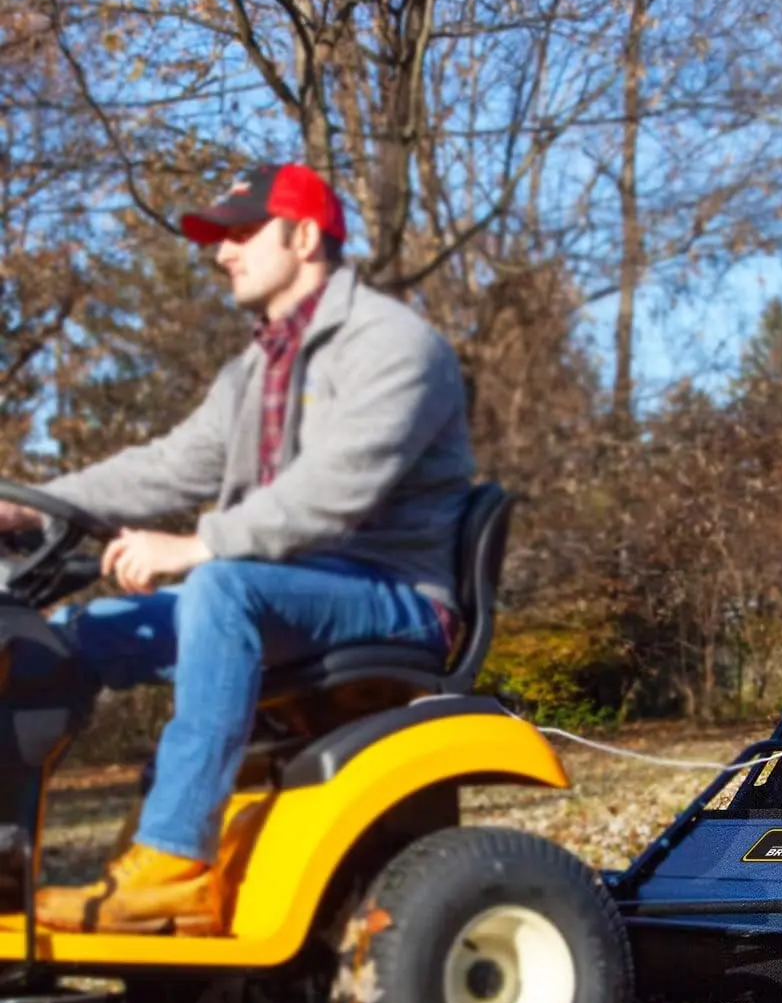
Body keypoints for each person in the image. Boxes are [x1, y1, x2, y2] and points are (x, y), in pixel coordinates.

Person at [0, 162, 476, 933]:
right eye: (221, 238)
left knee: (221, 588)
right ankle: (17, 866)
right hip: (280, 587)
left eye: (243, 234)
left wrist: (198, 546)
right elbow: (169, 464)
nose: (223, 253)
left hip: (394, 595)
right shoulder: (256, 366)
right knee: (62, 640)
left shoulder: (396, 346)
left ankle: (175, 864)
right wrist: (26, 507)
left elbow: (335, 490)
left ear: (305, 236)